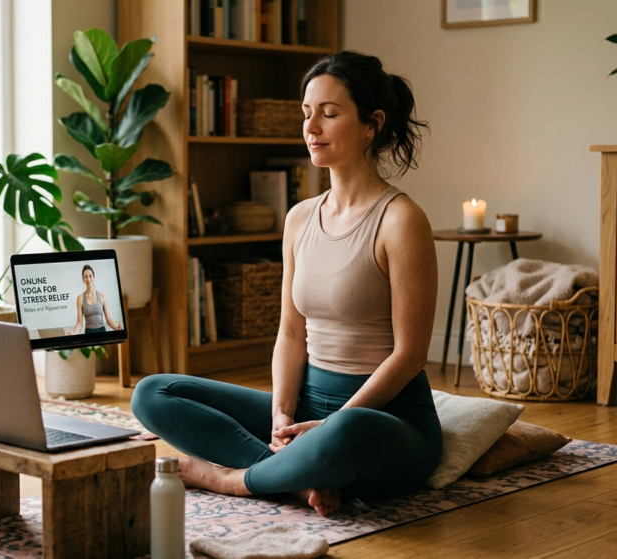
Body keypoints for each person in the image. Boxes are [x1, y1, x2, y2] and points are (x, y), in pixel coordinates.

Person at [131, 51, 441, 516]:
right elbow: (291, 332)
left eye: (330, 114)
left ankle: (234, 479)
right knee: (153, 394)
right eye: (306, 113)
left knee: (344, 432)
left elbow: (411, 354)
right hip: (309, 403)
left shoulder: (401, 222)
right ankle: (299, 481)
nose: (311, 127)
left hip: (382, 419)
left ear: (371, 124)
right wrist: (281, 414)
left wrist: (330, 423)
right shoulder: (299, 219)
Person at [69, 264, 123, 335]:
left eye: (90, 276)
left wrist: (116, 327)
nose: (88, 279)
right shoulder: (80, 298)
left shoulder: (102, 296)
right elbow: (79, 322)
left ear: (94, 278)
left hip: (102, 332)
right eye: (85, 277)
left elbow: (108, 319)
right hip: (88, 333)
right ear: (83, 279)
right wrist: (73, 334)